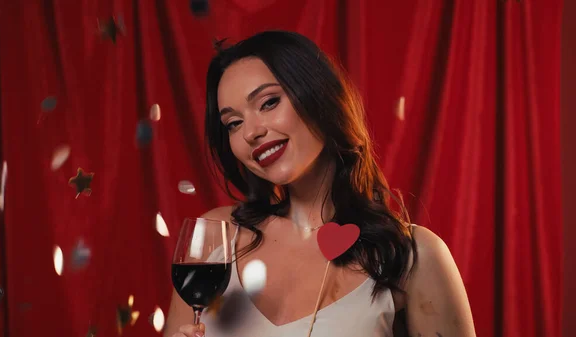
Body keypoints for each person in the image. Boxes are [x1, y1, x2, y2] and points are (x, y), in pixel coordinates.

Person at [165, 30, 475, 337]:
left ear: (318, 96)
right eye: (234, 123)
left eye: (269, 102)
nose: (250, 133)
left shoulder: (413, 255)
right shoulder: (212, 242)